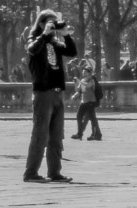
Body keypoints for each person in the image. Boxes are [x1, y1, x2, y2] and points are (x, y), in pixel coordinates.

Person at [23, 10, 79, 183]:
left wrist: (66, 35)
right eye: (51, 23)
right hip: (43, 92)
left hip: (57, 92)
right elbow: (32, 50)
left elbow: (71, 52)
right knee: (40, 134)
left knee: (56, 135)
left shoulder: (55, 43)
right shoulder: (35, 40)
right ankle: (31, 173)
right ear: (41, 24)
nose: (54, 26)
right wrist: (45, 34)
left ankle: (54, 172)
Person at [72, 57, 104, 142]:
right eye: (83, 71)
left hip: (90, 102)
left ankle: (95, 134)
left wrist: (79, 81)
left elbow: (88, 86)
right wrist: (75, 92)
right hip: (84, 102)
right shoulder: (82, 80)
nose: (83, 72)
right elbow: (79, 90)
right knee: (79, 116)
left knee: (92, 119)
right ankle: (81, 133)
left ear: (89, 73)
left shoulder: (92, 80)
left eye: (85, 71)